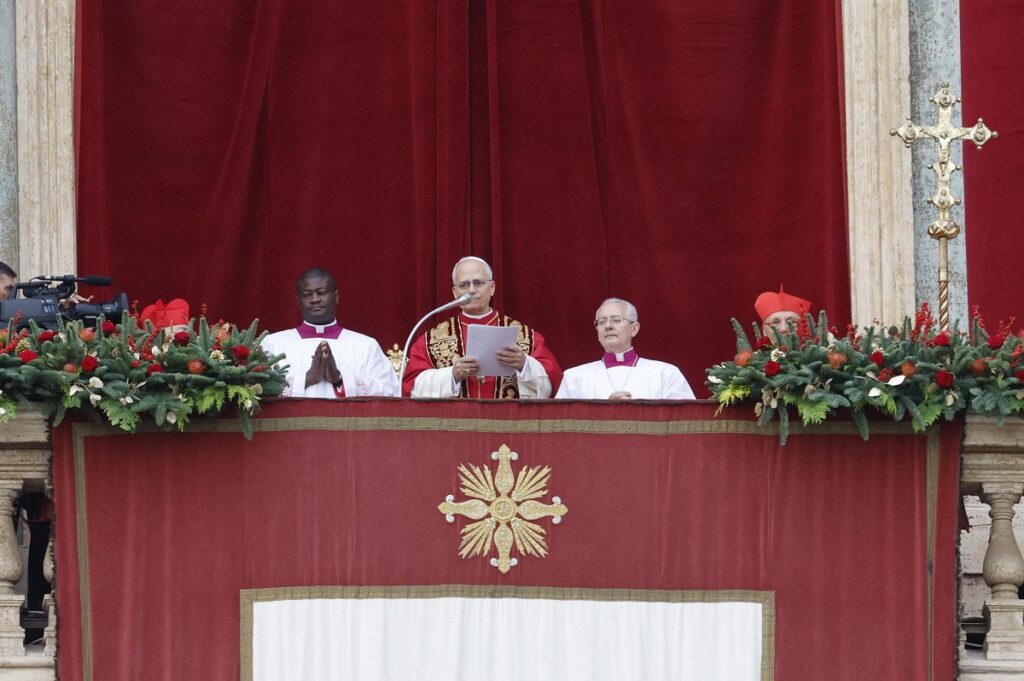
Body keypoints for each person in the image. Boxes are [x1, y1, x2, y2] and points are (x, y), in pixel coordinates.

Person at [403, 256, 561, 398]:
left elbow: (554, 387)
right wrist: (452, 374)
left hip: (509, 426)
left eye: (478, 283)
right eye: (464, 285)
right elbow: (410, 389)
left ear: (492, 288)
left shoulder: (526, 336)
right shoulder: (431, 339)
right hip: (455, 427)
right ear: (454, 292)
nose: (471, 290)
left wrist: (524, 365)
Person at [262, 268, 400, 398]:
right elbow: (257, 389)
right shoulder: (273, 344)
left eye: (321, 292)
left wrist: (339, 378)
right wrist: (307, 379)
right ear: (298, 301)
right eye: (307, 295)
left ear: (336, 296)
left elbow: (391, 391)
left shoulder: (366, 345)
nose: (314, 299)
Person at [555, 298, 695, 400]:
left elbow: (683, 423)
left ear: (634, 329)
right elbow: (563, 427)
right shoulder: (574, 377)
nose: (608, 326)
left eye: (616, 320)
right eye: (602, 322)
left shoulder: (666, 373)